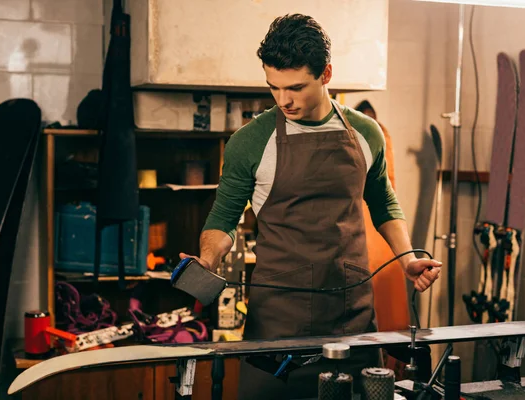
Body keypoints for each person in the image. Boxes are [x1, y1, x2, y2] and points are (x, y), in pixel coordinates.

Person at [180, 13, 442, 399]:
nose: (283, 100)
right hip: (276, 329)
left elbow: (384, 203)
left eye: (296, 87)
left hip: (352, 321)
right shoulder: (250, 142)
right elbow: (223, 217)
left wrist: (407, 260)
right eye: (274, 87)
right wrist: (207, 261)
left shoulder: (366, 133)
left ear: (326, 74)